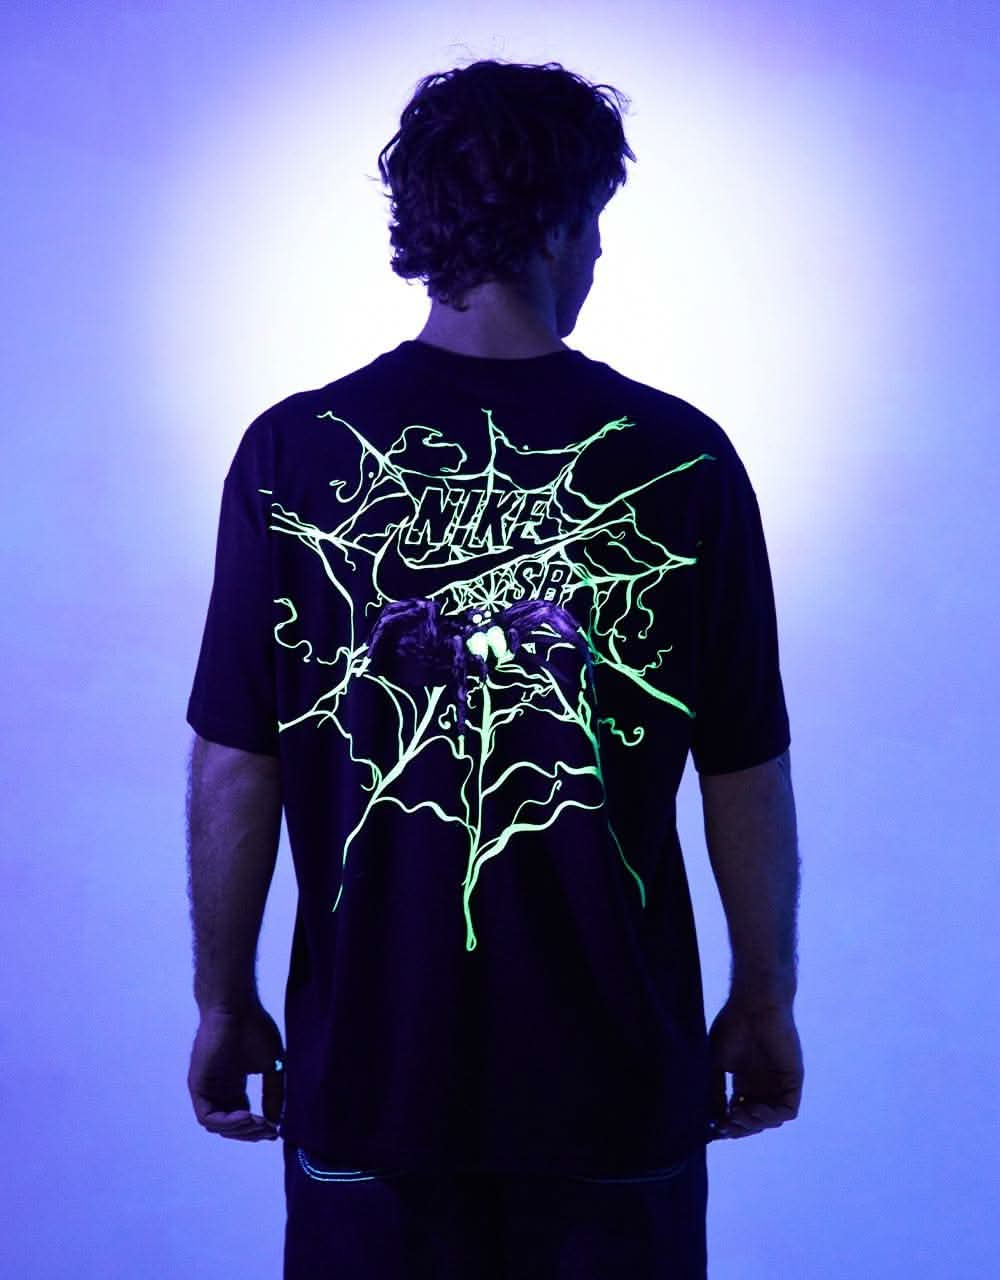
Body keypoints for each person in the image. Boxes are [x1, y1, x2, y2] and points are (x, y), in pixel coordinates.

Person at [185, 58, 803, 1280]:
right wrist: (764, 994)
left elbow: (234, 762)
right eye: (599, 224)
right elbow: (744, 763)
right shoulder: (682, 456)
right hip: (615, 1080)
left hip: (371, 1075)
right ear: (564, 223)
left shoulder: (293, 450)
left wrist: (223, 997)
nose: (600, 254)